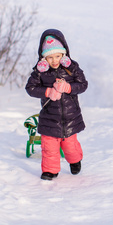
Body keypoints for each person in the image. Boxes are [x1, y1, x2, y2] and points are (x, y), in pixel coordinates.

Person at [25, 29, 88, 180]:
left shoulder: (71, 68)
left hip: (70, 117)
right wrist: (47, 92)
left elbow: (83, 84)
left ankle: (75, 161)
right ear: (43, 58)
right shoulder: (40, 73)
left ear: (64, 55)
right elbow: (30, 88)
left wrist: (68, 88)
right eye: (50, 57)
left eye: (58, 56)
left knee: (70, 147)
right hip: (49, 118)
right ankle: (50, 171)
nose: (54, 61)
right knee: (49, 148)